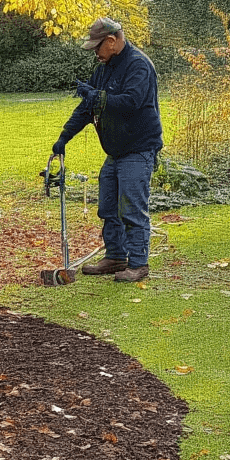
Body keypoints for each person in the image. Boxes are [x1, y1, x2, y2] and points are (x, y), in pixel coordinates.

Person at [50, 18, 163, 284]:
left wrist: (99, 98)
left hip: (138, 148)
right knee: (108, 206)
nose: (95, 53)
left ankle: (138, 264)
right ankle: (115, 257)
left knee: (132, 209)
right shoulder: (104, 68)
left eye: (97, 47)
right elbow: (87, 108)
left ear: (111, 42)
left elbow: (131, 103)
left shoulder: (138, 65)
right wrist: (64, 137)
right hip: (115, 151)